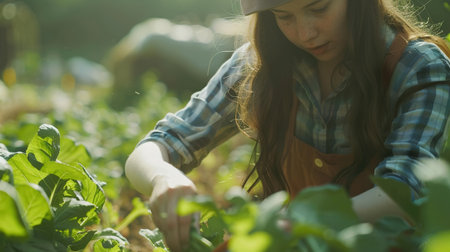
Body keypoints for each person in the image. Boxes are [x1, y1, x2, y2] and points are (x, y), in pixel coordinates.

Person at [125, 0, 450, 251]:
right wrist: (163, 177)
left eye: (318, 8)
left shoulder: (418, 68)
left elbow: (404, 191)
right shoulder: (259, 66)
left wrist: (292, 223)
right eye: (284, 16)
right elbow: (162, 143)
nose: (306, 32)